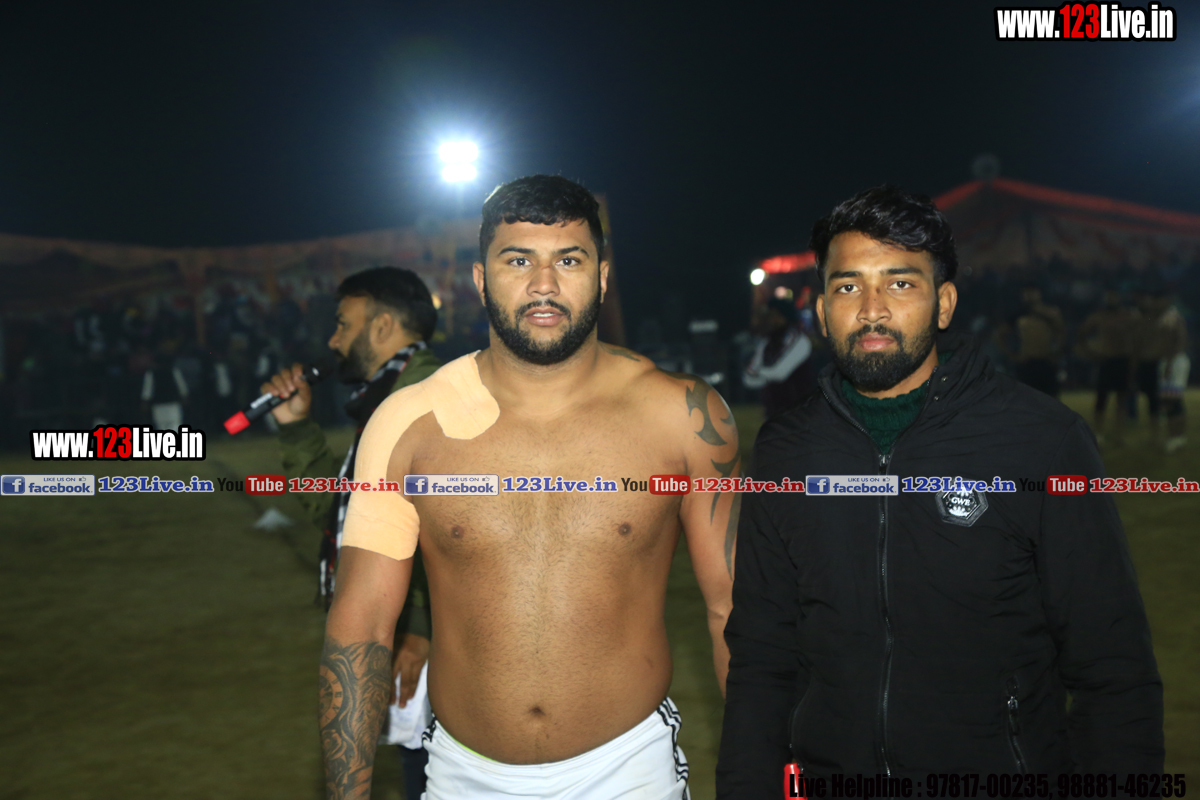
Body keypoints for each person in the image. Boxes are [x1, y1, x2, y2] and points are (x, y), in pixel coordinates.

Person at [717, 185, 1163, 796]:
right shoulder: (785, 451)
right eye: (847, 287)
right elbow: (762, 657)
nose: (871, 310)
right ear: (820, 310)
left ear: (944, 303)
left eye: (900, 283)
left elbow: (1112, 665)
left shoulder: (1042, 441)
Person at [318, 175, 739, 800]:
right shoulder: (409, 423)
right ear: (480, 279)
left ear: (602, 277)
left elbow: (733, 609)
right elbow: (363, 625)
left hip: (629, 770)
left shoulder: (683, 415)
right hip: (462, 776)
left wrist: (765, 773)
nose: (544, 284)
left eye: (569, 260)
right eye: (518, 261)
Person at [260, 267, 441, 800]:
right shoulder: (387, 397)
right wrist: (296, 427)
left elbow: (450, 528)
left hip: (440, 642)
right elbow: (348, 513)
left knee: (435, 777)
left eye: (343, 324)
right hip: (406, 624)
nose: (333, 340)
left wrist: (421, 628)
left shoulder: (427, 400)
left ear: (382, 326)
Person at [1078, 289, 1137, 445]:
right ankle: (1098, 433)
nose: (1111, 300)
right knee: (1101, 398)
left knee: (1122, 398)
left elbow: (1137, 336)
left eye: (1114, 296)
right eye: (1109, 297)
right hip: (1106, 360)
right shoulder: (1099, 316)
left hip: (1123, 360)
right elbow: (1082, 333)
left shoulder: (1128, 315)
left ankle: (1119, 434)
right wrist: (1090, 352)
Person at [743, 296, 815, 417]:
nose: (772, 319)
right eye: (770, 315)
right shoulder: (766, 343)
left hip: (799, 414)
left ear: (786, 317)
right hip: (773, 414)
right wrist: (762, 375)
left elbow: (780, 373)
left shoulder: (801, 341)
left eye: (776, 315)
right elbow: (748, 379)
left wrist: (759, 373)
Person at [1009, 284, 1064, 397]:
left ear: (1039, 293)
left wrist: (1056, 353)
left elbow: (1061, 332)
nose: (1029, 295)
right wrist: (1012, 355)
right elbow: (999, 335)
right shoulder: (1018, 314)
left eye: (1032, 292)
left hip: (1046, 361)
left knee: (1050, 399)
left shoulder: (1051, 313)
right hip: (1027, 363)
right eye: (1026, 292)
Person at [1158, 300, 1190, 453]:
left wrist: (1169, 363)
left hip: (1174, 361)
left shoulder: (1171, 316)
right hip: (1170, 360)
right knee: (1169, 400)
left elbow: (1178, 341)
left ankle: (1176, 437)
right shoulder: (1168, 316)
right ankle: (1176, 437)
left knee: (1173, 400)